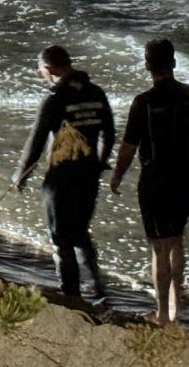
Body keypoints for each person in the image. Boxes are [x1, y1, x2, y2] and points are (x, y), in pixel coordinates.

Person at [110, 39, 189, 325]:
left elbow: (129, 147)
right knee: (177, 241)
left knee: (159, 248)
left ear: (147, 65)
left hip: (155, 181)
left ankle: (161, 316)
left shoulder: (143, 102)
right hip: (183, 178)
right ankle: (177, 311)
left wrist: (117, 175)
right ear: (174, 63)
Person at [15, 45, 114, 298]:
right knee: (80, 230)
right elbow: (109, 132)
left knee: (60, 236)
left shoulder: (54, 99)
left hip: (60, 178)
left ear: (48, 69)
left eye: (41, 72)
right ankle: (96, 285)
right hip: (89, 175)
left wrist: (20, 175)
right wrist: (100, 161)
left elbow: (35, 142)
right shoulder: (96, 92)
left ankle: (70, 292)